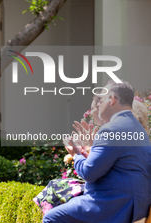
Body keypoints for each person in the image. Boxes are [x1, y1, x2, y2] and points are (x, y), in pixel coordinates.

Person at [43, 80, 151, 223]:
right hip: (136, 204)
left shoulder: (111, 129)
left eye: (101, 99)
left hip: (114, 204)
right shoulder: (138, 129)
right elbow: (121, 165)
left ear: (112, 99)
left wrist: (76, 155)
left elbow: (89, 173)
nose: (99, 104)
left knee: (52, 217)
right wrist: (87, 155)